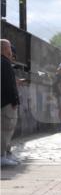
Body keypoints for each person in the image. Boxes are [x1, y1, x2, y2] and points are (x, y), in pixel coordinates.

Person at [1, 39, 21, 167]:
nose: (11, 51)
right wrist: (14, 101)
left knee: (6, 129)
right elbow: (8, 85)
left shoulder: (4, 62)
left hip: (4, 102)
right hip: (7, 103)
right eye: (9, 48)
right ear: (4, 48)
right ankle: (2, 156)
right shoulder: (4, 63)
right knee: (6, 129)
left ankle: (6, 154)